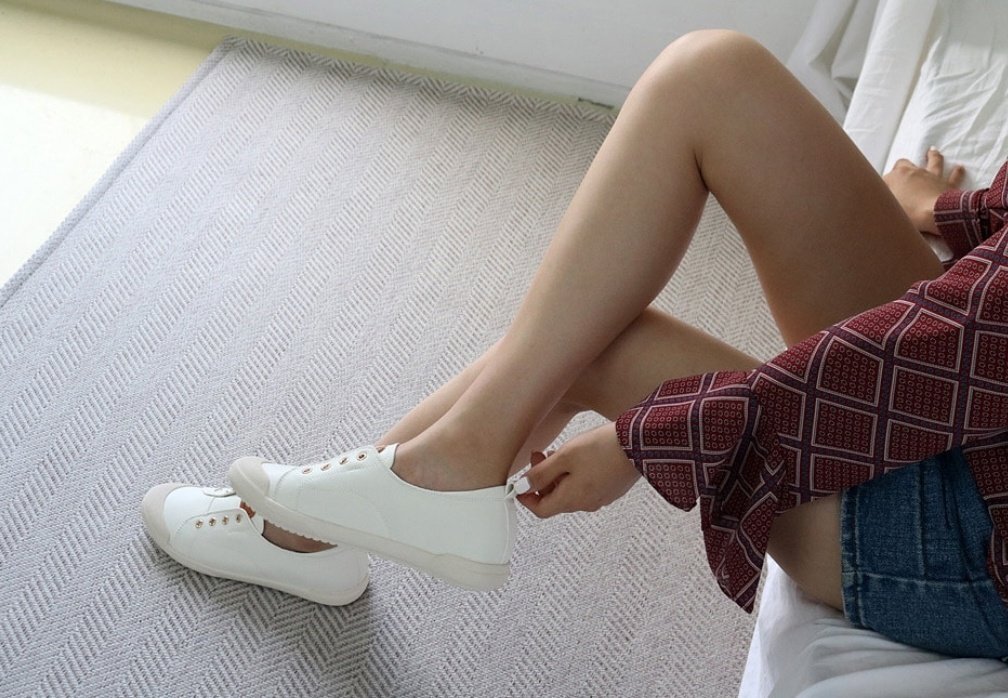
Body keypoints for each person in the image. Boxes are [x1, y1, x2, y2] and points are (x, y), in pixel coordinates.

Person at [142, 30, 1008, 659]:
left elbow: (973, 346)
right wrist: (958, 215)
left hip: (972, 532)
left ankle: (318, 526)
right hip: (984, 385)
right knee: (710, 76)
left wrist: (656, 434)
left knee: (601, 345)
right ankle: (407, 482)